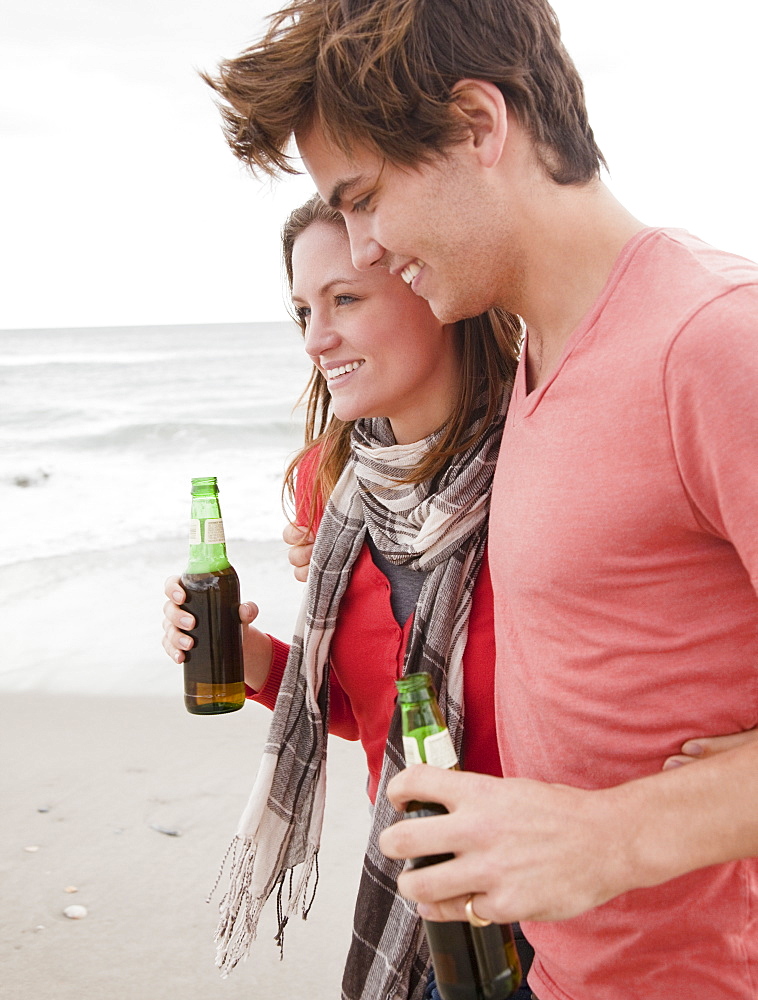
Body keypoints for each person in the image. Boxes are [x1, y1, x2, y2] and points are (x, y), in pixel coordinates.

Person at [198, 3, 758, 998]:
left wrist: (609, 836)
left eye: (363, 197)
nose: (360, 249)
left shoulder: (712, 342)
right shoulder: (537, 366)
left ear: (475, 125)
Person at [162, 193, 527, 1000]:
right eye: (302, 311)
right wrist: (254, 660)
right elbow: (377, 709)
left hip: (560, 904)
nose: (317, 340)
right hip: (421, 901)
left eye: (346, 299)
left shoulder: (544, 458)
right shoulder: (327, 486)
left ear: (432, 286)